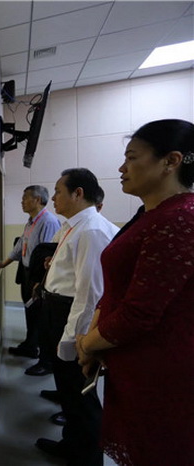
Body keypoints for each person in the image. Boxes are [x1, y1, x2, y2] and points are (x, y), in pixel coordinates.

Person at [76, 119, 194, 466]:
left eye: (131, 158)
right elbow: (116, 286)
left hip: (161, 371)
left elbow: (140, 312)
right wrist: (94, 340)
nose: (121, 168)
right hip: (128, 361)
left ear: (171, 161)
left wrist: (87, 344)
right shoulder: (148, 215)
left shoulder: (179, 219)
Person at [34, 168, 118, 465]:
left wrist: (72, 341)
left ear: (78, 193)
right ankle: (72, 444)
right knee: (68, 390)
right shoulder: (76, 226)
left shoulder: (91, 230)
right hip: (59, 310)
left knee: (80, 394)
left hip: (71, 317)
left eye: (58, 191)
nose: (53, 198)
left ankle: (87, 458)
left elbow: (89, 295)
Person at [0, 186, 61, 368]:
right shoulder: (31, 222)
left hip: (39, 276)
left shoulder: (48, 222)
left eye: (25, 198)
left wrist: (40, 282)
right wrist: (3, 263)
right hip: (27, 272)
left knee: (41, 317)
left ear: (37, 200)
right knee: (30, 312)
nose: (22, 202)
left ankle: (45, 361)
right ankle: (30, 345)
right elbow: (20, 246)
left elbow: (47, 255)